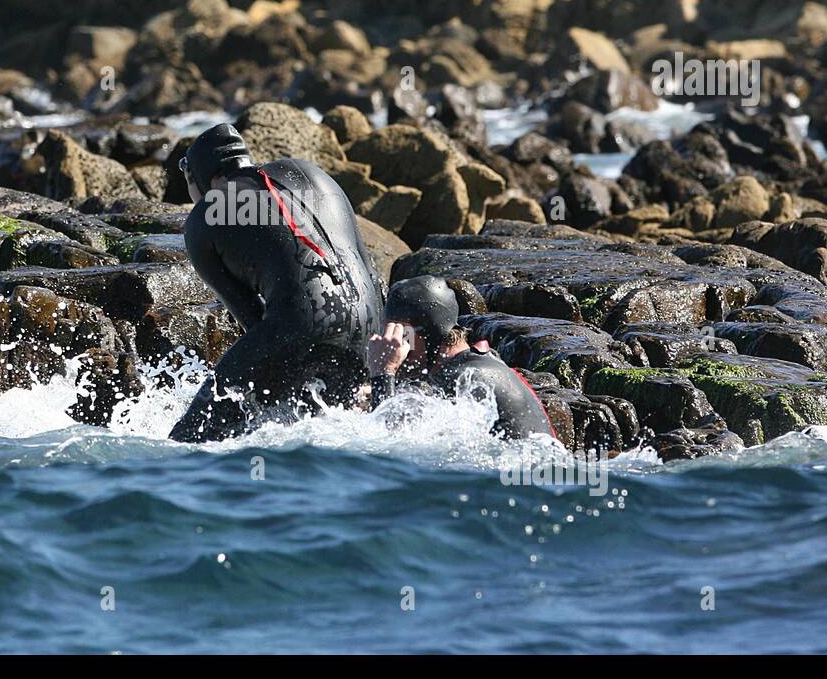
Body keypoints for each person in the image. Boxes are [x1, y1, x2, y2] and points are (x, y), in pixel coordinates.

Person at [169, 124, 385, 442]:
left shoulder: (204, 215)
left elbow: (252, 320)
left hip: (302, 323)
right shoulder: (311, 171)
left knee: (192, 436)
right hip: (370, 322)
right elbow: (368, 270)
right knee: (342, 432)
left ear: (200, 178)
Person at [367, 275, 556, 439]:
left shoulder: (468, 378)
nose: (396, 346)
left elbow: (388, 438)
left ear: (430, 334)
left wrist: (383, 372)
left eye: (401, 335)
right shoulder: (477, 364)